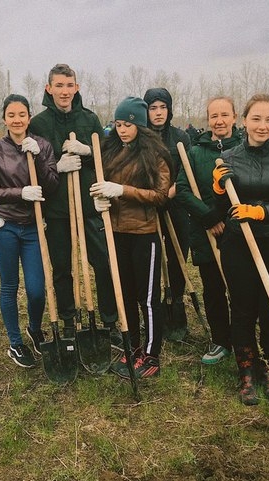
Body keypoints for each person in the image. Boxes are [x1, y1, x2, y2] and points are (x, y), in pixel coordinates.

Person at [212, 93, 269, 405]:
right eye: (256, 119)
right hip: (239, 244)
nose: (262, 126)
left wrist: (261, 212)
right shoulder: (232, 158)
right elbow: (220, 207)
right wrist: (217, 188)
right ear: (244, 121)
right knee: (242, 308)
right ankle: (246, 371)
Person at [29, 63, 120, 346]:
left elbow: (106, 157)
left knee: (103, 263)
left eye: (69, 86)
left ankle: (108, 320)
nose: (64, 91)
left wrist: (89, 151)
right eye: (59, 86)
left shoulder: (90, 120)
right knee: (62, 267)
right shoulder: (39, 124)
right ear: (49, 89)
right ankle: (68, 320)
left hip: (88, 203)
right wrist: (57, 164)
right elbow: (36, 165)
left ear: (77, 88)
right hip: (57, 209)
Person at [90, 97, 172, 378]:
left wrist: (122, 190)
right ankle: (133, 348)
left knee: (147, 298)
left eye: (128, 124)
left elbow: (160, 196)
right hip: (116, 232)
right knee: (124, 295)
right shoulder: (111, 149)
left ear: (139, 124)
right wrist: (100, 201)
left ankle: (151, 356)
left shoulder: (154, 153)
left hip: (144, 233)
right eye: (118, 124)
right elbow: (101, 182)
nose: (122, 129)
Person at [0, 94, 59, 368]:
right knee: (10, 286)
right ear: (4, 119)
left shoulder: (42, 146)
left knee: (37, 289)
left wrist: (36, 158)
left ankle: (34, 330)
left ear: (29, 117)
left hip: (34, 228)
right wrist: (20, 193)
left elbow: (52, 186)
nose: (17, 120)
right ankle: (15, 343)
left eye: (22, 114)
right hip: (5, 227)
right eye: (11, 115)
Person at [176, 97, 242, 365]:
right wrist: (208, 218)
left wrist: (225, 217)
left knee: (240, 288)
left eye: (225, 115)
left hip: (238, 229)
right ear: (208, 120)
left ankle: (243, 340)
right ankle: (220, 341)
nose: (219, 120)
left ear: (235, 117)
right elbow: (182, 190)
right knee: (213, 289)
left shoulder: (244, 148)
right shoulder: (196, 152)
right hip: (207, 232)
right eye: (214, 116)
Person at [143, 87, 192, 341]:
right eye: (153, 108)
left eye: (163, 107)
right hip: (149, 205)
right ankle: (154, 311)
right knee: (152, 259)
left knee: (177, 258)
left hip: (176, 205)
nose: (158, 113)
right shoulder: (141, 137)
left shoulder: (181, 137)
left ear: (169, 110)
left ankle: (176, 303)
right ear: (146, 111)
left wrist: (172, 191)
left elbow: (186, 169)